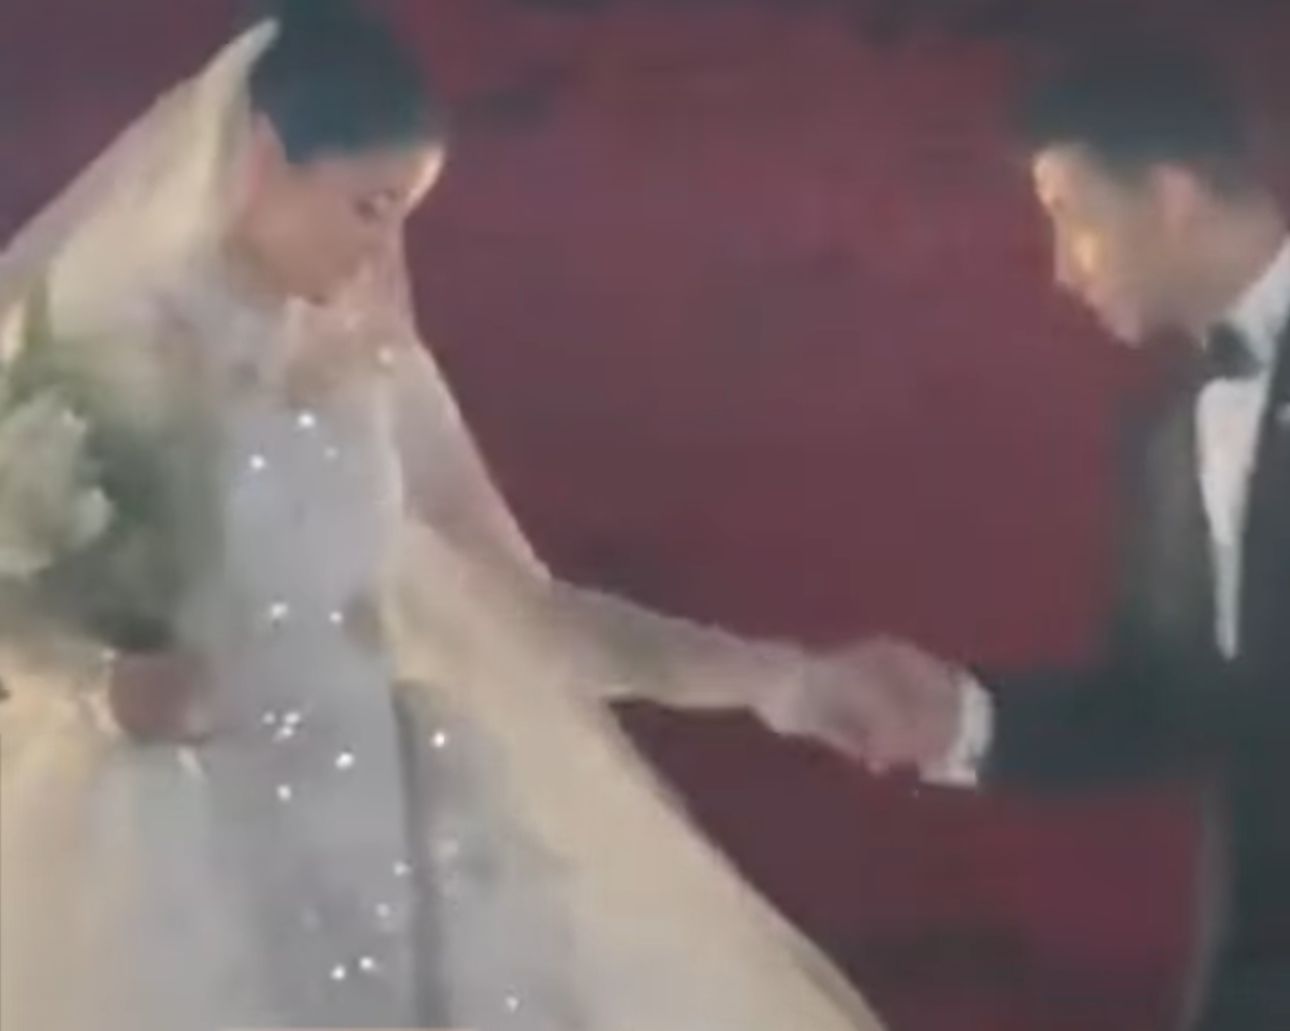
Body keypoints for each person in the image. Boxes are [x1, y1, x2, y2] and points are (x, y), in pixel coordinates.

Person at [0, 3, 882, 1029]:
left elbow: (528, 611)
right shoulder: (99, 345)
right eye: (367, 207)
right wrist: (96, 683)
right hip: (180, 852)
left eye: (403, 214)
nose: (384, 251)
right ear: (265, 155)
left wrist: (778, 680)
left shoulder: (370, 365)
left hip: (390, 828)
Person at [798, 49, 1290, 1030]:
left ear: (1172, 196)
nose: (1065, 272)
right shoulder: (1173, 437)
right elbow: (1166, 704)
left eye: (1074, 216)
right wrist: (958, 717)